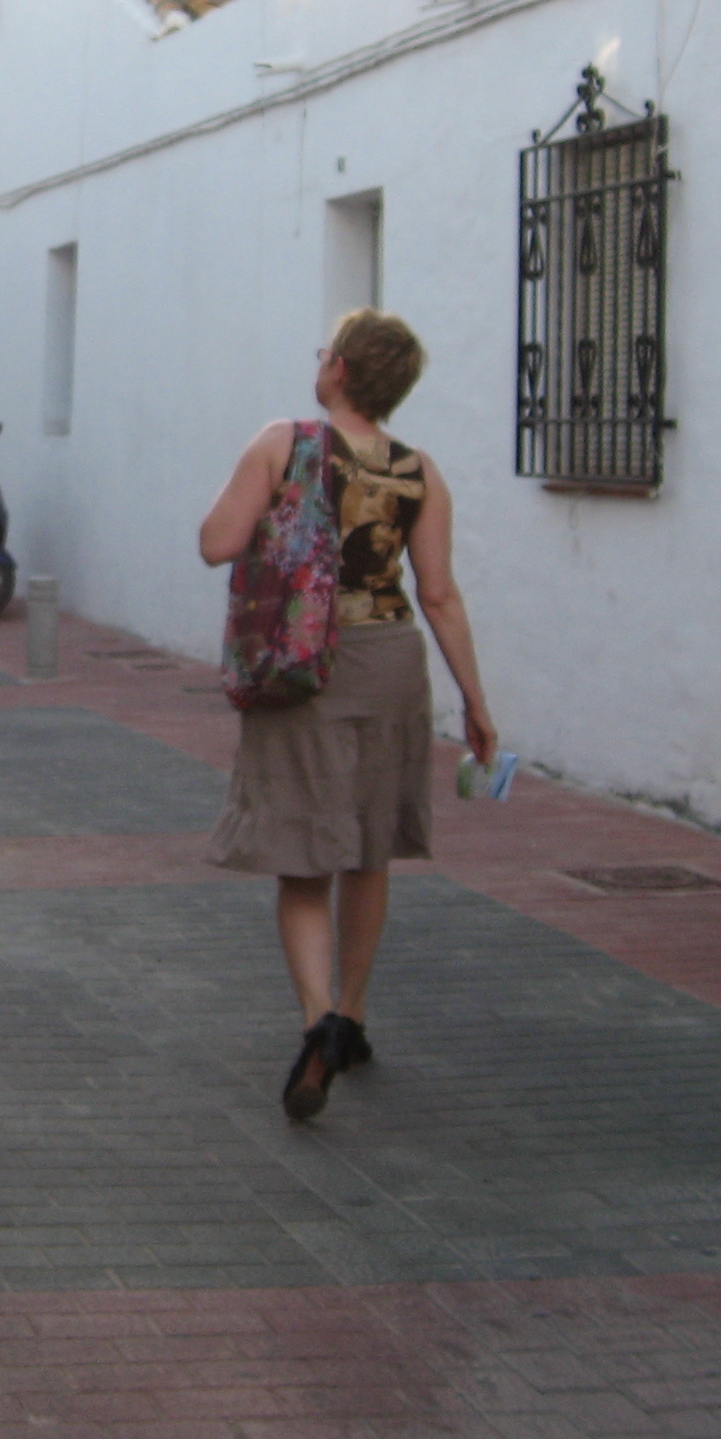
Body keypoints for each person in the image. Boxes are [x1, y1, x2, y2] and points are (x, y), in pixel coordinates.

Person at [195, 307, 497, 1123]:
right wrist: (475, 702)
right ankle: (355, 1018)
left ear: (341, 371)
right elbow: (439, 594)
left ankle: (318, 1022)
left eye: (326, 351)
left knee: (305, 856)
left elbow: (216, 542)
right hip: (391, 661)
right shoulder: (421, 472)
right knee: (368, 847)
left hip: (306, 663)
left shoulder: (283, 443)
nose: (320, 359)